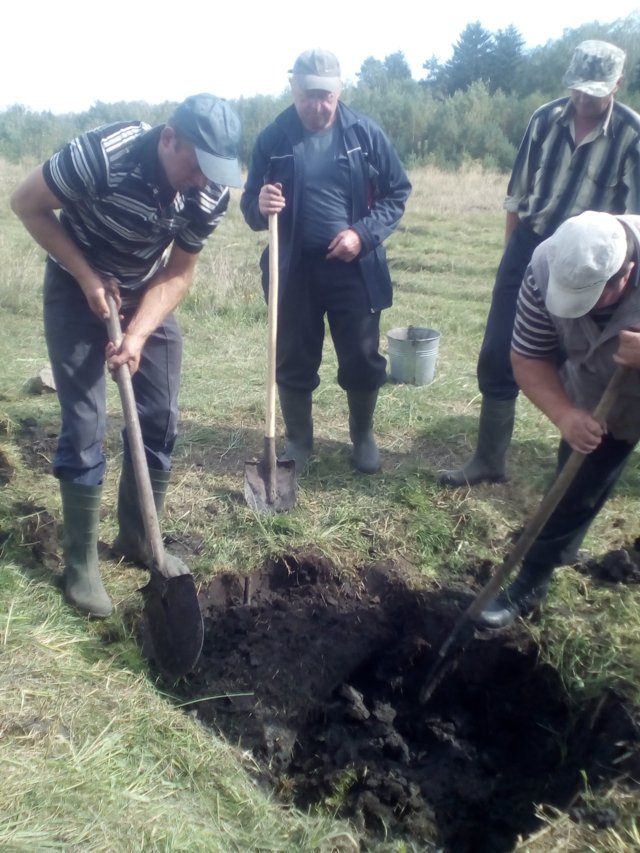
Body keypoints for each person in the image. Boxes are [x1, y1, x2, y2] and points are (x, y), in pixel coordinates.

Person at [10, 94, 242, 618]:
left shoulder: (210, 194)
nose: (205, 181)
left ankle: (139, 541)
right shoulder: (103, 155)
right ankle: (81, 567)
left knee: (159, 414)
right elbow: (26, 203)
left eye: (216, 171)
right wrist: (88, 278)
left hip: (145, 288)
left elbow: (179, 273)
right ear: (168, 139)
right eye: (197, 166)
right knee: (86, 420)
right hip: (77, 281)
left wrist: (136, 336)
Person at [440, 40, 640, 488]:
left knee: (590, 366)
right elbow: (518, 192)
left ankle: (577, 465)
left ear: (618, 85)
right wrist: (514, 257)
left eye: (595, 91)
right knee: (498, 353)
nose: (584, 100)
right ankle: (489, 459)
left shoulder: (632, 135)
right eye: (578, 90)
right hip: (534, 247)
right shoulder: (544, 119)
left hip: (598, 264)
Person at [240, 49, 411, 474]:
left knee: (361, 356)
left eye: (326, 96)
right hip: (292, 268)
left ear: (339, 91)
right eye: (308, 95)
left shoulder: (364, 134)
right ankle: (299, 439)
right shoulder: (274, 138)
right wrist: (260, 205)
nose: (317, 106)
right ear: (293, 89)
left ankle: (363, 437)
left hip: (355, 268)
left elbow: (397, 192)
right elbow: (248, 209)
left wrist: (362, 235)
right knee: (294, 356)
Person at [477, 210, 640, 628]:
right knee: (576, 481)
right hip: (599, 390)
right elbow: (528, 356)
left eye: (592, 296)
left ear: (626, 274)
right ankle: (534, 578)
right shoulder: (546, 266)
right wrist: (566, 414)